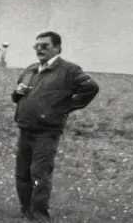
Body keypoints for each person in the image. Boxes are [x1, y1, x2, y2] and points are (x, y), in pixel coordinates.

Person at [12, 31, 99, 222]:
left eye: (45, 46)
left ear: (57, 48)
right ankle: (26, 211)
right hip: (25, 128)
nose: (39, 50)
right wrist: (17, 93)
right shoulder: (31, 69)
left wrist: (64, 107)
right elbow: (17, 95)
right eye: (37, 46)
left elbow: (91, 88)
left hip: (46, 132)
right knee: (22, 173)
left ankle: (39, 216)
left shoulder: (69, 70)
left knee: (40, 175)